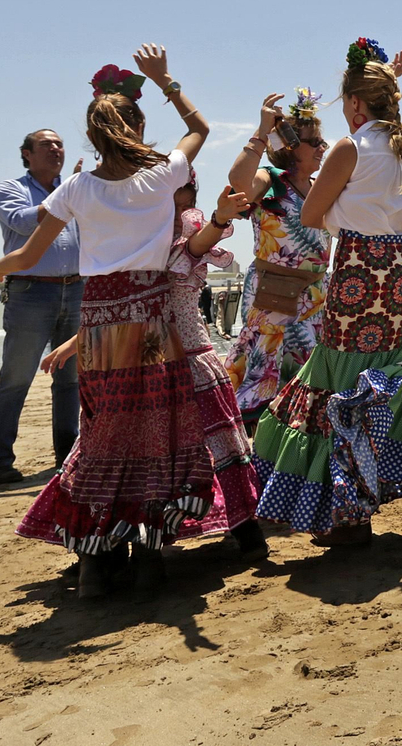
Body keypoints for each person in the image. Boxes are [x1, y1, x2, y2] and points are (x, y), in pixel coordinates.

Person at [0, 46, 230, 598]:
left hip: (98, 319)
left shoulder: (77, 188)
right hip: (154, 313)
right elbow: (200, 127)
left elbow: (26, 255)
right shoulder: (164, 175)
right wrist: (165, 80)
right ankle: (149, 560)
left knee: (104, 432)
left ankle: (95, 563)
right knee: (159, 430)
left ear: (93, 138)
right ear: (136, 130)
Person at [252, 40, 402, 546]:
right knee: (401, 378)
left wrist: (348, 217)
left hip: (361, 266)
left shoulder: (349, 148)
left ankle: (352, 516)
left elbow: (312, 215)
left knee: (344, 377)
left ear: (357, 104)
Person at [38, 175, 268, 559]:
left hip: (191, 358)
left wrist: (218, 218)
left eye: (183, 206)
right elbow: (120, 311)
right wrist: (74, 342)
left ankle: (247, 532)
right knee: (141, 454)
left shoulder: (184, 243)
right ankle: (114, 543)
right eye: (170, 207)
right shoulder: (140, 250)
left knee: (223, 447)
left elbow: (198, 244)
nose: (177, 215)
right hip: (147, 368)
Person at [225, 88, 332, 425]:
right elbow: (237, 181)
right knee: (264, 368)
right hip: (272, 293)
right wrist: (261, 131)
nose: (322, 147)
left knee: (307, 373)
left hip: (315, 297)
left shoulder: (322, 187)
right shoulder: (269, 180)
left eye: (320, 141)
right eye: (313, 141)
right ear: (287, 145)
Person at [0, 130, 83, 485]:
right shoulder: (10, 189)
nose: (56, 149)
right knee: (16, 378)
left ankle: (68, 457)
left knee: (70, 379)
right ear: (27, 154)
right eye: (46, 145)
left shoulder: (75, 188)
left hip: (76, 290)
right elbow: (22, 222)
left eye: (59, 144)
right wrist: (67, 193)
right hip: (30, 292)